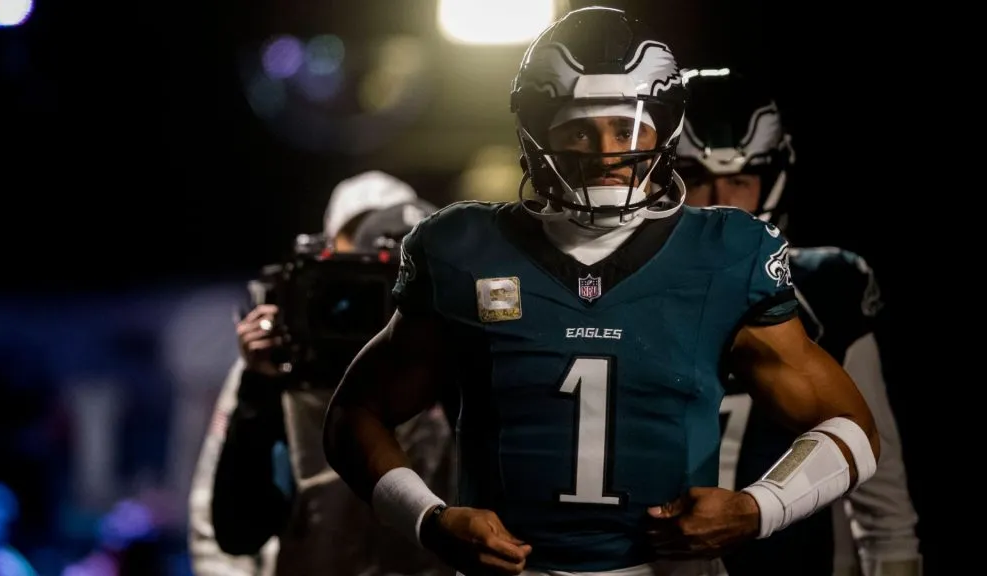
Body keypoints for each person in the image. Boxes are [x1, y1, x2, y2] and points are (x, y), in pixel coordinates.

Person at [322, 7, 881, 576]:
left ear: (663, 131)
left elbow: (850, 426)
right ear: (539, 135)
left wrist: (760, 507)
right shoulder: (462, 247)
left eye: (625, 128)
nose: (607, 153)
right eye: (580, 129)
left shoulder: (727, 252)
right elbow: (354, 415)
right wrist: (429, 520)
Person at [675, 68, 921, 576]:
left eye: (740, 179)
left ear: (774, 178)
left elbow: (879, 488)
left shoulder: (826, 289)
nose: (719, 202)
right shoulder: (614, 287)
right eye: (696, 178)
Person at [187, 171, 454, 576]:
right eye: (360, 236)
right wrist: (257, 386)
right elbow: (229, 530)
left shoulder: (441, 352)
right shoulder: (286, 361)